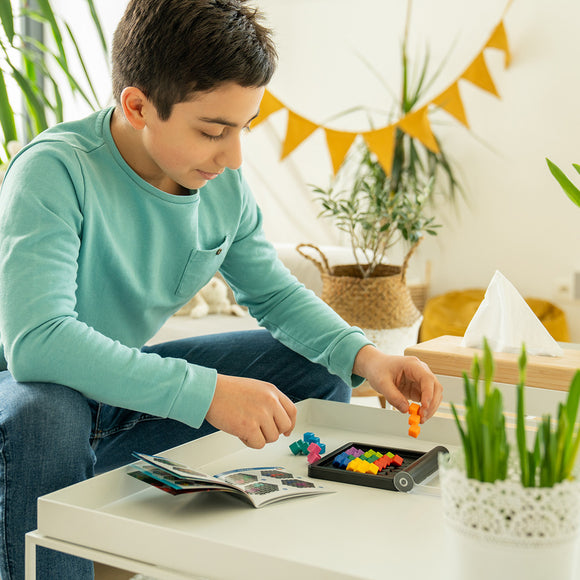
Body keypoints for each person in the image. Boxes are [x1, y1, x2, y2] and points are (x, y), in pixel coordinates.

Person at [0, 0, 443, 578]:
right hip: (24, 398)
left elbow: (276, 296)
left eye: (243, 129)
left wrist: (369, 356)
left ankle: (279, 547)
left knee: (316, 369)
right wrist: (206, 392)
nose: (234, 156)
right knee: (48, 413)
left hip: (111, 398)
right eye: (213, 130)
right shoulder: (56, 170)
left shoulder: (220, 184)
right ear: (137, 106)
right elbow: (38, 344)